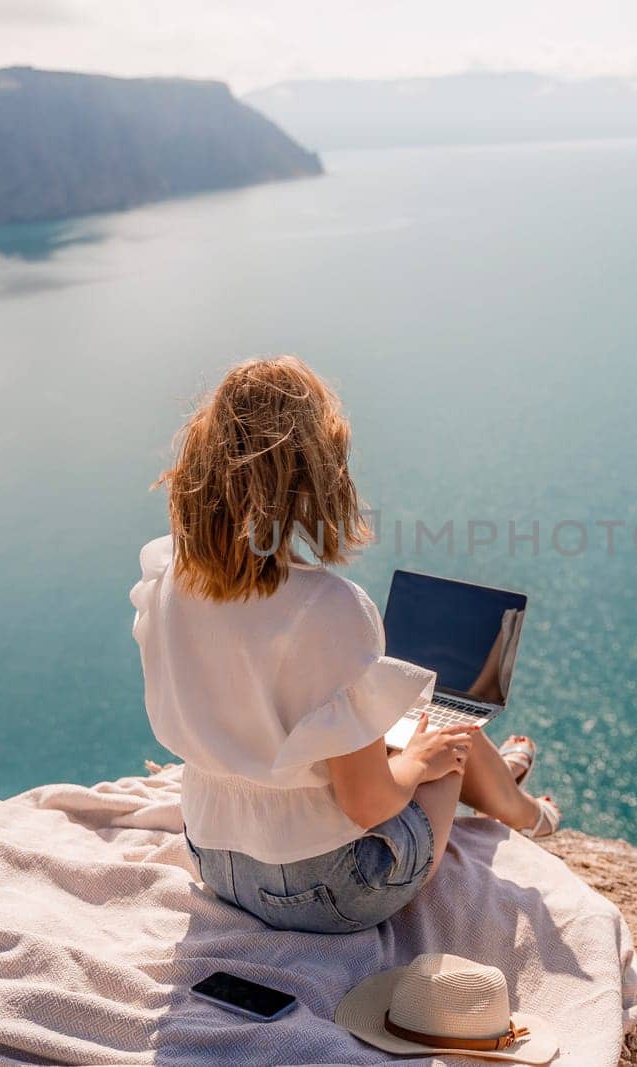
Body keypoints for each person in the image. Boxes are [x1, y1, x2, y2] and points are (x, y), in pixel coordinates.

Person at [130, 355, 560, 934]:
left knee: (412, 722)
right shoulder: (328, 606)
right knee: (444, 744)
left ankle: (507, 789)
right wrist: (416, 764)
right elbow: (369, 804)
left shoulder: (165, 577)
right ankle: (523, 810)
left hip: (213, 856)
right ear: (315, 473)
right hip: (329, 889)